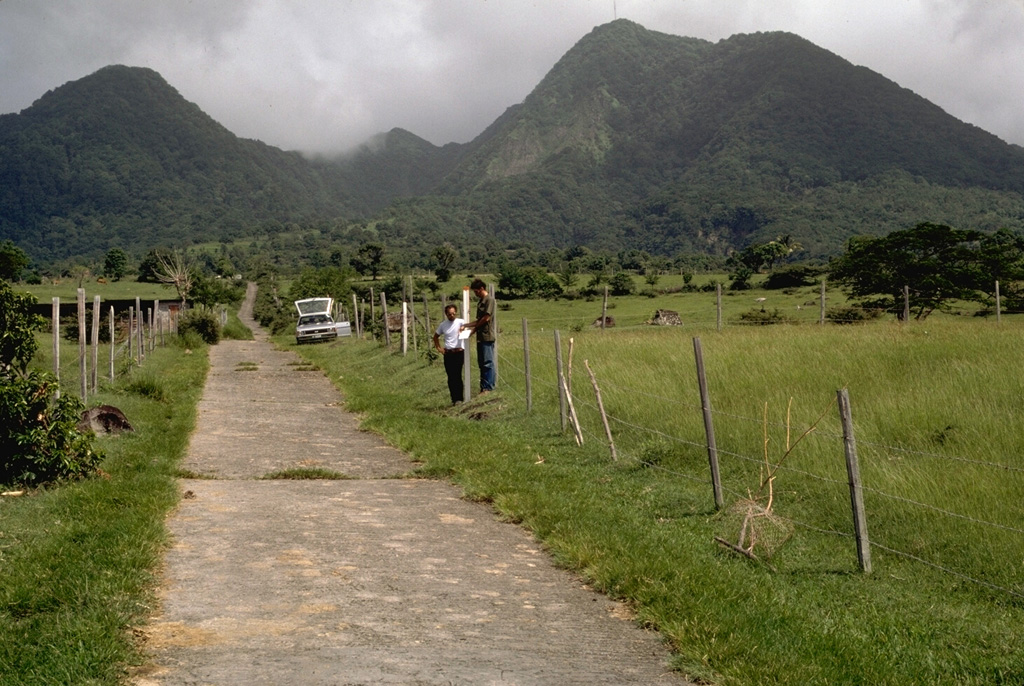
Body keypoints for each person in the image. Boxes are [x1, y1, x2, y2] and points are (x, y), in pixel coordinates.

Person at [462, 279, 495, 393]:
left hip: (486, 335)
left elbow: (486, 318)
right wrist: (466, 325)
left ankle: (488, 387)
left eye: (476, 291)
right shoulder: (481, 301)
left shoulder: (489, 300)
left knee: (487, 362)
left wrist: (473, 329)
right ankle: (483, 386)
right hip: (480, 336)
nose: (475, 294)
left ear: (482, 288)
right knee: (481, 362)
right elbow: (478, 320)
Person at [433, 304, 465, 405]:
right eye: (449, 314)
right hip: (448, 353)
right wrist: (439, 348)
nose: (452, 316)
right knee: (451, 376)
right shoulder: (443, 325)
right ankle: (454, 399)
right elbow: (435, 337)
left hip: (459, 352)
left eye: (453, 313)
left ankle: (460, 398)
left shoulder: (461, 322)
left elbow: (467, 328)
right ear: (446, 314)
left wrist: (463, 328)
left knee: (458, 375)